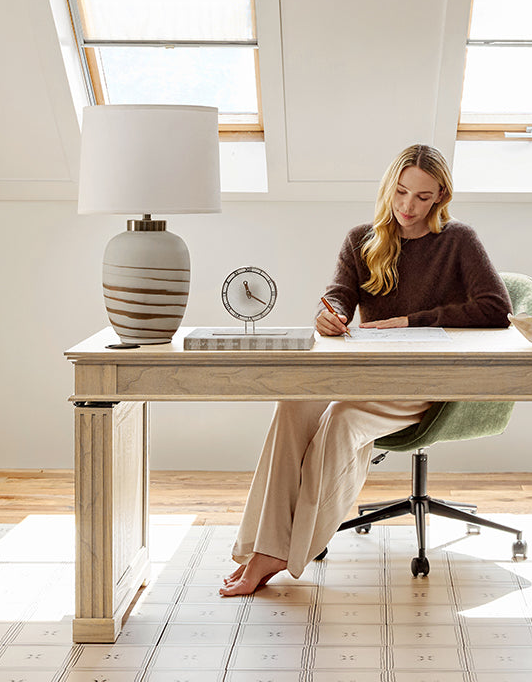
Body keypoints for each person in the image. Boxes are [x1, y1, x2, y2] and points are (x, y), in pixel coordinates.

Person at [219, 144, 511, 596]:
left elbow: (495, 308)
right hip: (363, 373)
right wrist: (330, 314)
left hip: (425, 384)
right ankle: (264, 543)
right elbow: (338, 293)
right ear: (388, 188)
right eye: (400, 193)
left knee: (341, 418)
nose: (407, 207)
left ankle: (287, 553)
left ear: (440, 197)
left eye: (422, 197)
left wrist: (414, 321)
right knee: (294, 404)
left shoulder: (459, 241)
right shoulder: (362, 239)